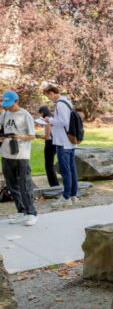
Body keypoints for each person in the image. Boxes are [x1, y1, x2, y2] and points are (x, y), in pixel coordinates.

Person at [0, 91, 38, 226]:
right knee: (11, 185)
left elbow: (32, 135)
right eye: (6, 104)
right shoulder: (4, 114)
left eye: (10, 104)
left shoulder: (25, 115)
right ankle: (21, 211)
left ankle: (31, 213)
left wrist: (20, 136)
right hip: (6, 154)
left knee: (25, 184)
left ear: (17, 101)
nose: (8, 107)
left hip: (21, 154)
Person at [43, 85, 78, 207]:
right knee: (72, 169)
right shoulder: (67, 101)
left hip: (63, 141)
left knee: (65, 170)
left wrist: (50, 120)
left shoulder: (60, 104)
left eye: (48, 96)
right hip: (70, 141)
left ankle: (66, 197)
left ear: (51, 93)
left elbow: (64, 121)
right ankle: (73, 195)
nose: (49, 99)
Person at [37, 106, 59, 187]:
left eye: (40, 114)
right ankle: (54, 184)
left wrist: (38, 136)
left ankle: (54, 185)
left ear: (42, 113)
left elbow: (47, 136)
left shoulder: (47, 121)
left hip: (50, 143)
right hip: (55, 142)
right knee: (50, 164)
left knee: (48, 165)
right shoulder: (52, 117)